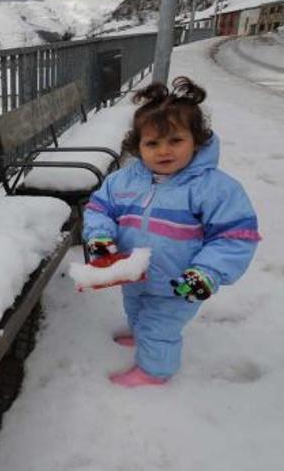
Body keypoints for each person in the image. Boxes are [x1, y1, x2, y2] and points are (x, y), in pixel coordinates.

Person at [82, 76, 261, 388]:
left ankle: (155, 371)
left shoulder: (214, 189)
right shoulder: (123, 182)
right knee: (135, 309)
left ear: (197, 140)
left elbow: (233, 236)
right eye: (152, 143)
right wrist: (100, 237)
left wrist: (206, 273)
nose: (164, 151)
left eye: (175, 140)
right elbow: (100, 209)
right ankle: (142, 336)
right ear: (138, 146)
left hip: (179, 283)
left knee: (159, 328)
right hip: (133, 272)